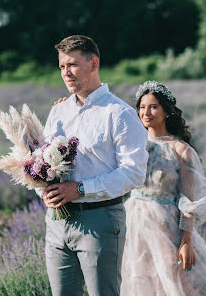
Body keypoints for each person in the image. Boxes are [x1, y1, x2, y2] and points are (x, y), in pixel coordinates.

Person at [38, 35, 148, 296]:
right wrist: (43, 189)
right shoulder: (58, 111)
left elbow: (134, 173)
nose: (66, 72)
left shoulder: (119, 114)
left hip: (100, 221)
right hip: (56, 222)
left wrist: (81, 189)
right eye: (62, 66)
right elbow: (42, 161)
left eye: (72, 65)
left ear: (93, 63)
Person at [120, 81, 206, 296]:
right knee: (136, 277)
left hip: (165, 226)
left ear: (166, 111)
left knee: (174, 279)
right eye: (142, 107)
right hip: (132, 222)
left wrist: (186, 240)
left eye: (153, 106)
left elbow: (188, 200)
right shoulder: (132, 145)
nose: (146, 112)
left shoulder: (180, 149)